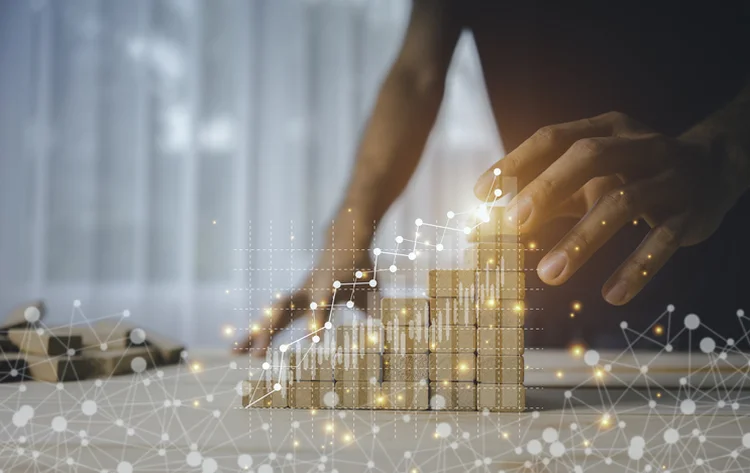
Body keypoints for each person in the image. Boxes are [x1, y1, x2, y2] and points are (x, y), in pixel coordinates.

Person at [248, 1, 750, 356]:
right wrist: (349, 230)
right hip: (541, 264)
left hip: (713, 241)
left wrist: (722, 152)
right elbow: (416, 72)